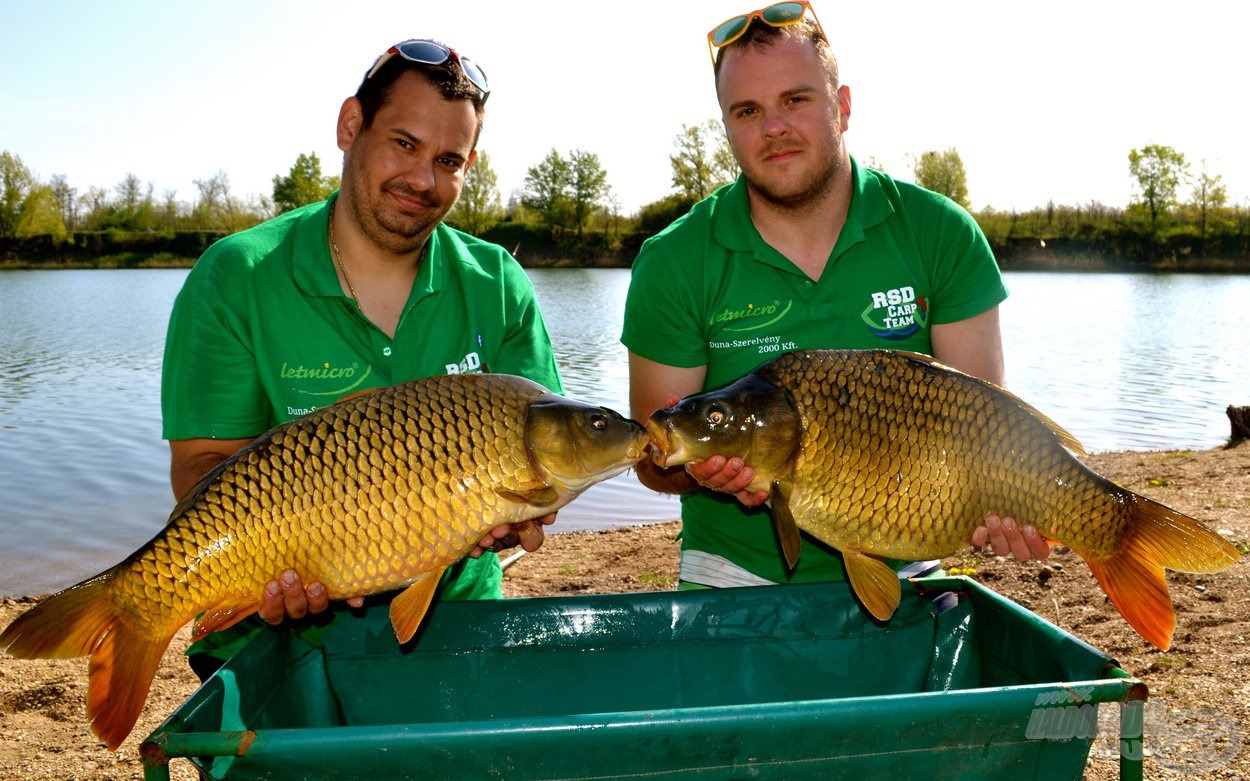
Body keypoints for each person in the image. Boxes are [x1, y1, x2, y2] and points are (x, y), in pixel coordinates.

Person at [162, 39, 559, 677]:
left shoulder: (498, 283)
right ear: (351, 126)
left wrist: (524, 516)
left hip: (453, 624)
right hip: (276, 645)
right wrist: (276, 562)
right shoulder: (237, 274)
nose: (424, 180)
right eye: (404, 143)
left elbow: (546, 450)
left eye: (449, 160)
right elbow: (200, 468)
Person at [622, 3, 1049, 591]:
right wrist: (700, 471)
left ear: (842, 107)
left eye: (796, 100)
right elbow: (654, 456)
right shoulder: (673, 261)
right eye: (747, 111)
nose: (773, 128)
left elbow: (985, 425)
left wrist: (1006, 502)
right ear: (727, 127)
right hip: (730, 571)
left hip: (911, 558)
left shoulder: (939, 232)